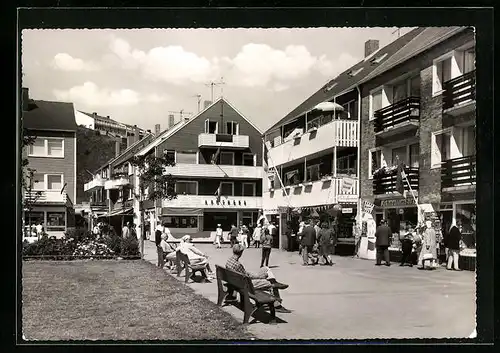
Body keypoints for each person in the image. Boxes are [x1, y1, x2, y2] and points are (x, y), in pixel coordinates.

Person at [226, 244, 291, 313]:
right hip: (247, 285)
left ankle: (274, 282)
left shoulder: (230, 261)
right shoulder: (238, 264)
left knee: (266, 269)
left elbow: (243, 274)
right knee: (270, 284)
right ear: (241, 252)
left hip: (239, 283)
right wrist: (259, 277)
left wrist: (253, 274)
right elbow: (247, 277)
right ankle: (277, 305)